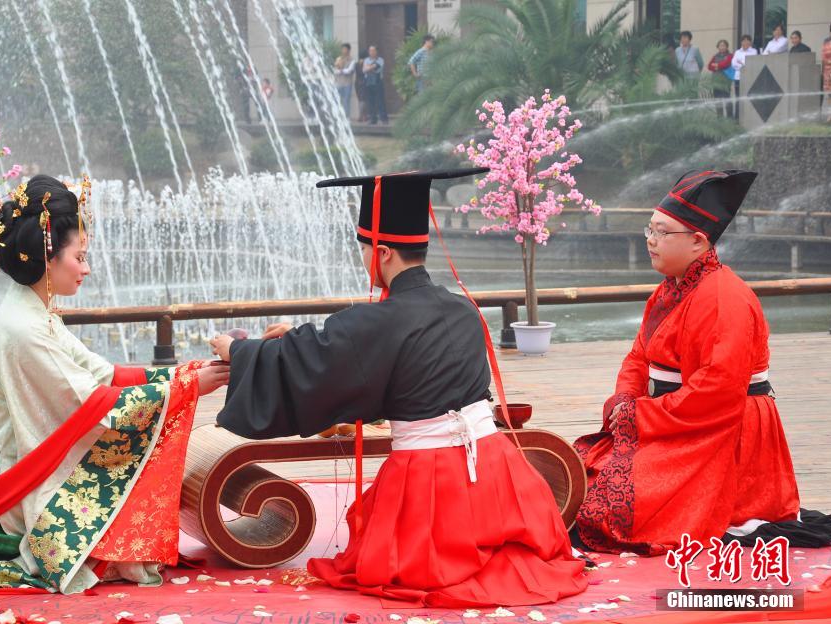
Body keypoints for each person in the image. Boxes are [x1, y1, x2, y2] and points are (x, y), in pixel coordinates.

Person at [210, 169, 589, 608]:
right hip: (497, 472)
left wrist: (238, 351)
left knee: (405, 565)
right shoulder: (463, 308)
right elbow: (388, 360)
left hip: (430, 482)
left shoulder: (375, 322)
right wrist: (295, 337)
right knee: (508, 557)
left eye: (365, 251)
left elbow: (334, 360)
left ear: (383, 253)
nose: (364, 259)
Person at [0, 175, 229, 602]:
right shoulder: (25, 329)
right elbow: (94, 407)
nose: (87, 268)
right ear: (49, 257)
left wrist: (189, 374)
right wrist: (185, 388)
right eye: (81, 256)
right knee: (104, 491)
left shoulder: (34, 313)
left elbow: (104, 375)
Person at [572, 170, 831, 555]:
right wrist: (624, 402)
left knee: (618, 507)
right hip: (676, 419)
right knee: (586, 473)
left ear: (698, 241)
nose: (650, 240)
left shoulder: (723, 297)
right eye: (649, 229)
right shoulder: (672, 288)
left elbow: (717, 391)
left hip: (722, 430)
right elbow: (638, 356)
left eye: (662, 233)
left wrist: (638, 417)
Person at [731, 34, 758, 120]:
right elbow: (733, 64)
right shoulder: (737, 52)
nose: (745, 42)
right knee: (738, 97)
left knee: (748, 97)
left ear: (750, 42)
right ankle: (737, 118)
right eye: (743, 40)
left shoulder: (754, 51)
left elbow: (751, 63)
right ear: (741, 42)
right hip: (738, 77)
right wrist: (743, 65)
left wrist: (741, 63)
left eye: (747, 40)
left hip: (749, 77)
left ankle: (748, 118)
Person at [707, 39, 734, 117]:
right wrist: (719, 66)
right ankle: (720, 118)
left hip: (725, 81)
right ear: (718, 47)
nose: (722, 47)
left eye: (723, 45)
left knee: (727, 100)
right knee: (718, 101)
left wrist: (717, 65)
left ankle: (730, 118)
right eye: (720, 46)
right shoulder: (715, 56)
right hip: (716, 81)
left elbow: (726, 64)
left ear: (727, 47)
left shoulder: (730, 56)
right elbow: (709, 66)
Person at [362, 45, 388, 124]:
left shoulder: (381, 60)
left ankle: (384, 118)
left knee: (380, 100)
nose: (371, 52)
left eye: (373, 50)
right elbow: (364, 70)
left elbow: (377, 68)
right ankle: (373, 119)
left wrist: (369, 67)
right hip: (368, 81)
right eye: (370, 51)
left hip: (378, 81)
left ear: (376, 51)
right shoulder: (366, 60)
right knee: (370, 101)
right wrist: (371, 67)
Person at [334, 43, 357, 118]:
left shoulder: (352, 60)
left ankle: (346, 117)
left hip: (347, 84)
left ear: (348, 50)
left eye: (345, 49)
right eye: (342, 49)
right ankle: (337, 116)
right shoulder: (338, 59)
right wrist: (342, 71)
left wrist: (341, 70)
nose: (343, 51)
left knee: (346, 101)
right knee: (336, 100)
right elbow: (335, 71)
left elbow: (349, 71)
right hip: (338, 83)